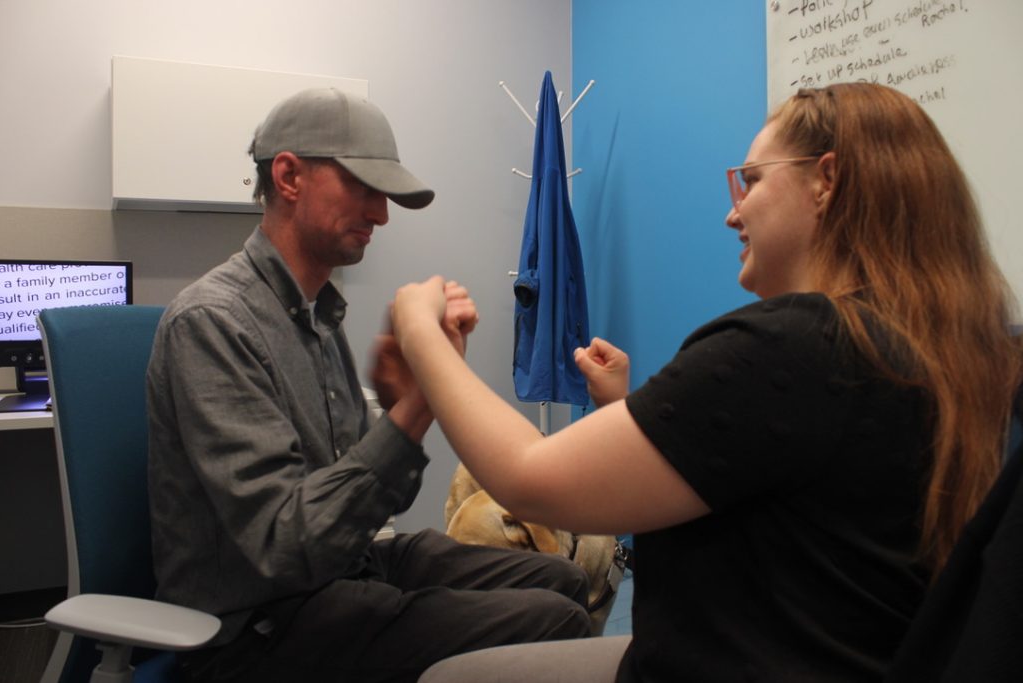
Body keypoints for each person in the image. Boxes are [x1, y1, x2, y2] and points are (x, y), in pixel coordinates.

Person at [390, 82, 1023, 682]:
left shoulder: (793, 345)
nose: (732, 213)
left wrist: (424, 339)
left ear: (826, 180)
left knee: (447, 674)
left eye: (749, 182)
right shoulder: (937, 352)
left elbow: (530, 479)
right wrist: (633, 411)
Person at [146, 87, 591, 683]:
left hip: (342, 571)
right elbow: (285, 545)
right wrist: (420, 407)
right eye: (363, 187)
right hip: (260, 627)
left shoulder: (318, 317)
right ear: (289, 176)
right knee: (547, 621)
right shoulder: (213, 323)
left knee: (563, 577)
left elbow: (367, 508)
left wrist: (403, 408)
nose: (381, 214)